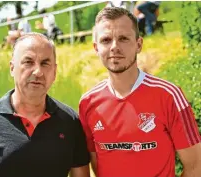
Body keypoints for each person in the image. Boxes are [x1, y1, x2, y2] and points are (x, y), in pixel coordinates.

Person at [79, 7, 201, 177]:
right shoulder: (87, 102)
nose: (114, 47)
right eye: (106, 40)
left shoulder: (169, 95)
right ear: (96, 48)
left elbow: (195, 167)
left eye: (123, 39)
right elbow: (96, 164)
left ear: (138, 45)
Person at [0, 32, 90, 177]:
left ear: (55, 71)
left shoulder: (70, 122)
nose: (38, 72)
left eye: (45, 63)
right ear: (12, 68)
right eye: (28, 62)